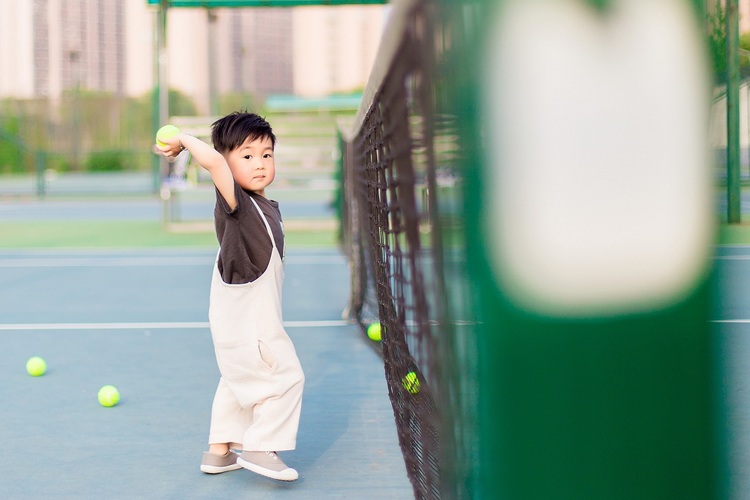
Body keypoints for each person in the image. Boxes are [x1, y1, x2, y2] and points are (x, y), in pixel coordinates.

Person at [157, 112, 305, 482]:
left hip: (233, 327)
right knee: (287, 378)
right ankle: (259, 446)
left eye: (266, 155)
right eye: (247, 155)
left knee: (236, 382)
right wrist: (185, 141)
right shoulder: (235, 206)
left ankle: (219, 451)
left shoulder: (264, 205)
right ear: (227, 159)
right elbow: (214, 164)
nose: (259, 163)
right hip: (253, 326)